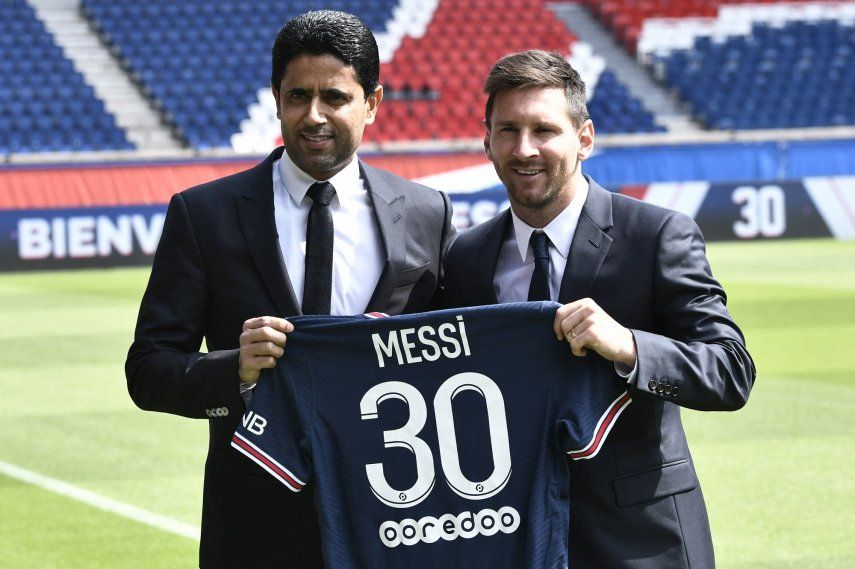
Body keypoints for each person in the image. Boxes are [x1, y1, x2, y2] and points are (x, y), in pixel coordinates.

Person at [126, 11, 454, 568]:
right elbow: (148, 371)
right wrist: (235, 370)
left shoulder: (428, 213)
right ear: (276, 99)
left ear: (372, 103)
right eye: (298, 95)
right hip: (258, 529)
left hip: (398, 523)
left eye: (335, 97)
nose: (314, 115)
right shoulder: (204, 215)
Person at [443, 50, 755, 568]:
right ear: (487, 141)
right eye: (508, 130)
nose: (524, 149)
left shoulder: (657, 235)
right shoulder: (465, 257)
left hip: (641, 540)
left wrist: (630, 347)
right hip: (514, 538)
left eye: (544, 130)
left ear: (584, 138)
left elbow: (730, 372)